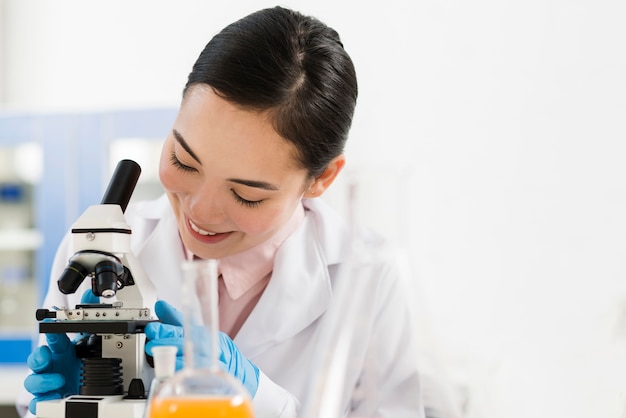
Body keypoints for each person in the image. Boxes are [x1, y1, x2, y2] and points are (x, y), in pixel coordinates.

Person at [18, 6, 424, 418]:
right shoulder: (102, 244)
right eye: (183, 162)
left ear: (321, 179)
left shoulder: (370, 277)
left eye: (247, 194)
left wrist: (261, 400)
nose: (200, 210)